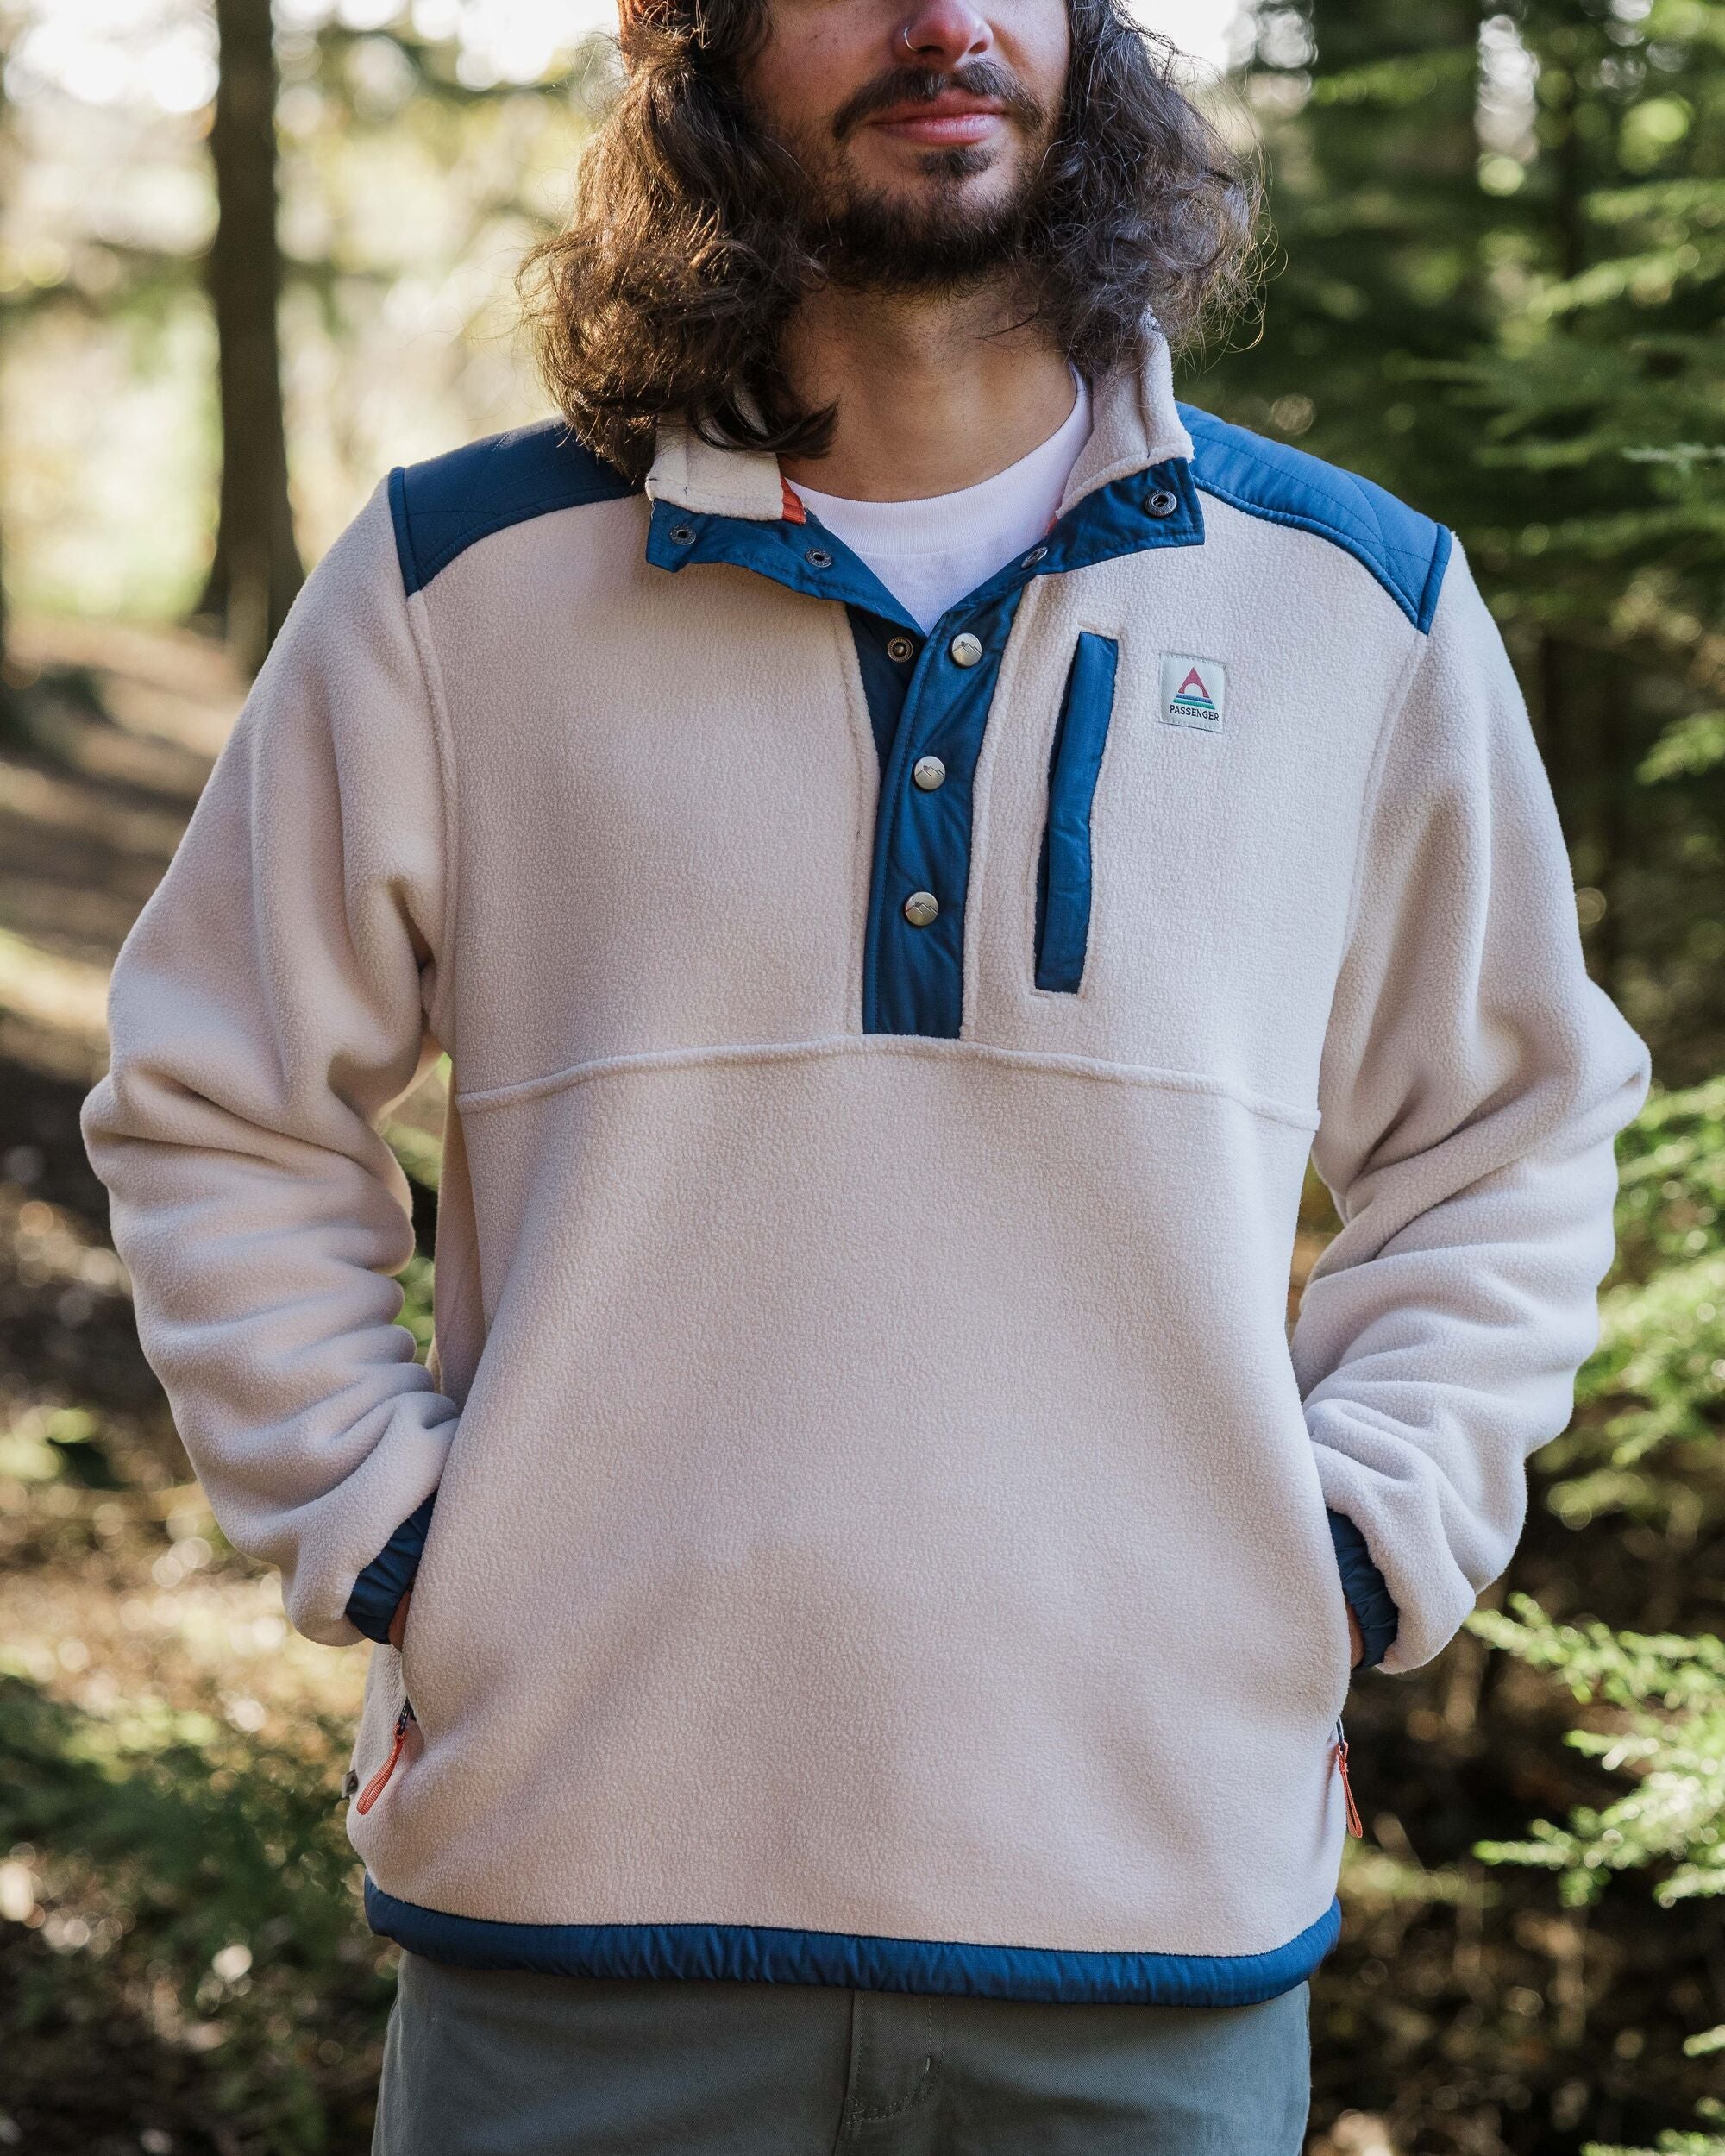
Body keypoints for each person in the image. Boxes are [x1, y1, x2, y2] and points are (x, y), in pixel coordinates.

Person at [78, 0, 1653, 2142]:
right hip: (574, 1910)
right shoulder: (456, 586)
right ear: (693, 36)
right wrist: (383, 1526)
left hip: (1145, 1925)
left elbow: (1509, 1136)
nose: (944, 22)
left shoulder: (1351, 605)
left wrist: (1366, 1535)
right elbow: (219, 1096)